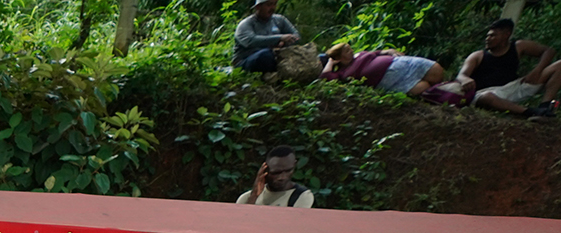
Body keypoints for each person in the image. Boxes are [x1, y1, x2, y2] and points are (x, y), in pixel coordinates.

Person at [457, 17, 561, 117]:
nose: (488, 39)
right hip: (486, 93)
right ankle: (530, 112)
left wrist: (537, 69)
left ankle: (545, 106)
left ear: (506, 35)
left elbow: (549, 51)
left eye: (493, 36)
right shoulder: (477, 56)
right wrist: (466, 80)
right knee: (487, 97)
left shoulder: (518, 46)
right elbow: (461, 75)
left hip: (513, 87)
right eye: (487, 36)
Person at [319, 41, 451, 98]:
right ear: (338, 57)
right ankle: (447, 95)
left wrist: (387, 51)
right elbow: (325, 78)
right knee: (425, 87)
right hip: (393, 81)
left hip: (400, 64)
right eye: (347, 51)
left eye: (350, 48)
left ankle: (448, 90)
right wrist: (330, 63)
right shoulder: (342, 73)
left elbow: (376, 53)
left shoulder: (359, 55)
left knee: (436, 71)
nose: (351, 51)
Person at [233, 145, 314, 208]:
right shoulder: (245, 198)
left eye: (288, 171)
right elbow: (241, 221)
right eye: (276, 173)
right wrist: (254, 196)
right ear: (265, 170)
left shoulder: (301, 196)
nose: (282, 177)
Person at [233, 0, 301, 73]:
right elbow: (250, 41)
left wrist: (284, 42)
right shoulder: (246, 24)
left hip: (276, 55)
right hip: (247, 60)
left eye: (274, 4)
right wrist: (279, 38)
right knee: (265, 55)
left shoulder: (280, 20)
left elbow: (296, 36)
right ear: (258, 7)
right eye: (269, 5)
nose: (272, 8)